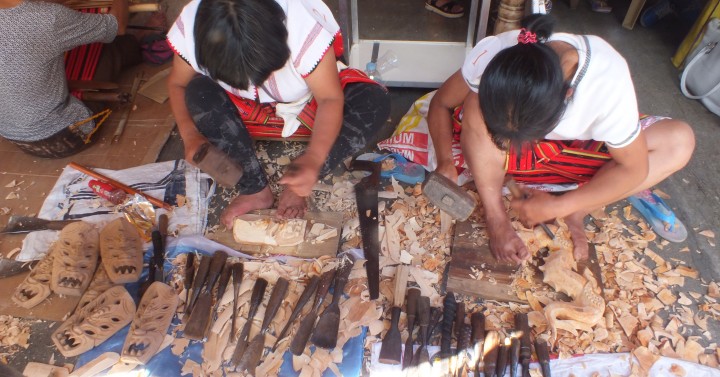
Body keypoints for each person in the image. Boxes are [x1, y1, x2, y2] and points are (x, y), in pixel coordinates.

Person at [427, 14, 694, 262]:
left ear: (567, 96)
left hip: (574, 158)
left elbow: (635, 168)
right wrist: (445, 161)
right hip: (506, 160)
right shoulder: (498, 54)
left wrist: (563, 206)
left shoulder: (607, 82)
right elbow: (441, 103)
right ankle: (496, 215)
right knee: (474, 103)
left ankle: (577, 213)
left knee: (679, 142)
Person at [166, 0, 390, 228]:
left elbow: (329, 99)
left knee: (372, 102)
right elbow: (178, 84)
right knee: (198, 92)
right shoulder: (193, 28)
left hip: (309, 102)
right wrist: (190, 134)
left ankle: (298, 184)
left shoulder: (300, 27)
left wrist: (314, 159)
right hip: (243, 108)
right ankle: (253, 188)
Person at [0, 0, 133, 158]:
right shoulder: (48, 17)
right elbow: (117, 26)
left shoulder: (45, 15)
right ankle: (142, 41)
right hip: (66, 137)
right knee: (110, 46)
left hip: (14, 136)